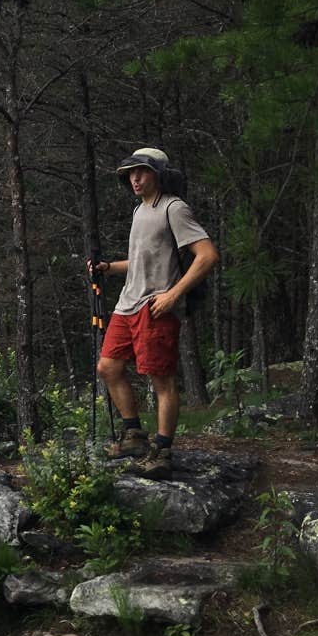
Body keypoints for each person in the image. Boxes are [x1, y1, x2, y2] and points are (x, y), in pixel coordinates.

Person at [89, 147, 218, 478]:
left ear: (157, 173)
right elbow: (142, 260)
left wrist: (173, 295)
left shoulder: (174, 208)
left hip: (155, 305)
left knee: (161, 379)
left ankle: (162, 451)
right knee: (108, 366)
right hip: (127, 303)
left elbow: (206, 255)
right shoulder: (139, 211)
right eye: (130, 173)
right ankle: (134, 435)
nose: (134, 177)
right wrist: (108, 267)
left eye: (141, 171)